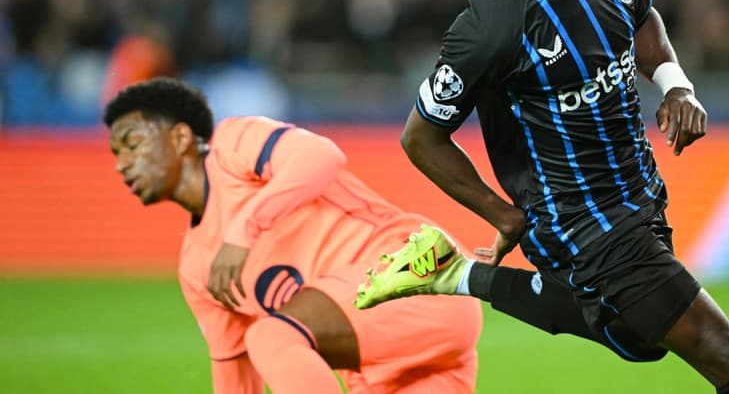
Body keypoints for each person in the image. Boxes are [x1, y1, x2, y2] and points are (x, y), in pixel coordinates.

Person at [356, 0, 729, 394]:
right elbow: (420, 137)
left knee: (641, 339)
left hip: (639, 191)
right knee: (727, 357)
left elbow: (642, 16)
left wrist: (675, 85)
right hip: (579, 222)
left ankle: (457, 275)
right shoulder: (492, 27)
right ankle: (461, 276)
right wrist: (501, 215)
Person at [103, 77, 482, 394]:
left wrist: (244, 229)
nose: (121, 165)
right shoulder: (195, 268)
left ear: (182, 137)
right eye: (115, 154)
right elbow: (235, 377)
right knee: (271, 338)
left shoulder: (231, 145)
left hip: (416, 274)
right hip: (390, 360)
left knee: (270, 336)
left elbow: (321, 155)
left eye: (132, 144)